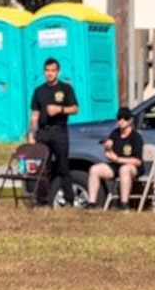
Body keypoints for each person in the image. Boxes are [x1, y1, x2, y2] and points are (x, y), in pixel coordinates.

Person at [29, 57, 80, 201]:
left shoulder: (65, 89)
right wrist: (32, 133)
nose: (50, 74)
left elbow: (75, 109)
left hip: (59, 131)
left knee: (63, 166)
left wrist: (60, 109)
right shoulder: (39, 91)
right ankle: (41, 198)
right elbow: (35, 114)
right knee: (43, 166)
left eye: (53, 71)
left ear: (58, 72)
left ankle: (69, 198)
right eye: (47, 71)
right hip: (43, 132)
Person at [86, 106, 146, 209]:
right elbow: (109, 155)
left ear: (130, 120)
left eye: (125, 118)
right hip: (116, 165)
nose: (121, 121)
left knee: (124, 169)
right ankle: (91, 203)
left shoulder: (135, 137)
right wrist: (108, 149)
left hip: (132, 167)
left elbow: (137, 161)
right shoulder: (115, 133)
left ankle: (124, 203)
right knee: (94, 169)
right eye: (119, 118)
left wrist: (118, 159)